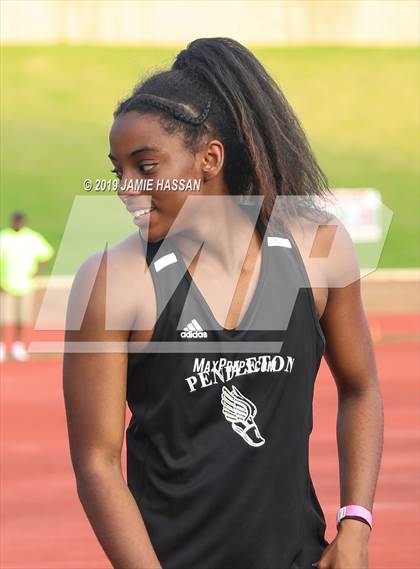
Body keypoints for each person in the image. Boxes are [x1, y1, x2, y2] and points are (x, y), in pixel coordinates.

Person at [63, 38, 384, 569]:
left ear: (210, 158)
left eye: (146, 167)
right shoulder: (111, 280)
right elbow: (96, 461)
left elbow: (361, 387)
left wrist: (356, 524)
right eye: (118, 170)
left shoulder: (317, 250)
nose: (125, 188)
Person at [0, 211, 54, 362]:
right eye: (15, 221)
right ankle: (2, 346)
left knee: (22, 318)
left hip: (26, 285)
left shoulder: (32, 238)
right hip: (5, 285)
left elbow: (46, 254)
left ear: (23, 222)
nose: (17, 223)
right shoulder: (4, 237)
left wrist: (37, 272)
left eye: (19, 221)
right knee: (4, 319)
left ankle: (18, 346)